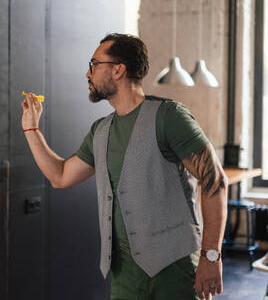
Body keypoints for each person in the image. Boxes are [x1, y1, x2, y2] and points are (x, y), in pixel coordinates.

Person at [21, 33, 228, 300]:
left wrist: (211, 257)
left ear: (118, 69)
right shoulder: (101, 131)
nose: (87, 73)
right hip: (124, 277)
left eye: (94, 64)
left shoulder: (169, 117)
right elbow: (60, 176)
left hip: (174, 272)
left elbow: (215, 181)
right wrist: (31, 127)